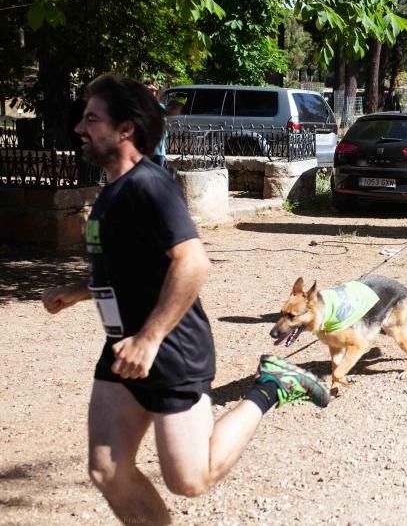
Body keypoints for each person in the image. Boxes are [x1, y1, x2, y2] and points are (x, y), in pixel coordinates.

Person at [41, 73, 329, 526]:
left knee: (190, 480)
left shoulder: (148, 185)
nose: (79, 128)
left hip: (170, 350)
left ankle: (272, 386)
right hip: (124, 348)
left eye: (91, 119)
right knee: (108, 469)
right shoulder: (112, 192)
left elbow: (193, 263)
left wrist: (151, 339)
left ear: (125, 129)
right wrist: (77, 293)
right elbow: (127, 267)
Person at [144, 81, 167, 168]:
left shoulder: (160, 107)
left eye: (153, 90)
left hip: (158, 151)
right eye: (148, 90)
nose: (151, 92)